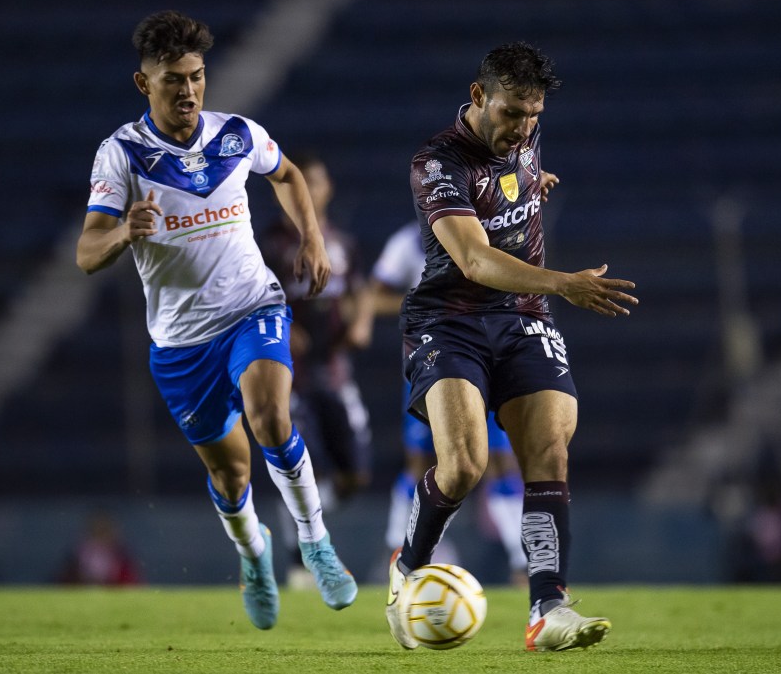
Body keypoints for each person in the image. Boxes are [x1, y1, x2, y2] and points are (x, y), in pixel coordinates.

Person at [76, 10, 356, 630]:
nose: (188, 90)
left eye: (197, 76)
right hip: (180, 343)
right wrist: (125, 230)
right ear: (142, 83)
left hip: (252, 305)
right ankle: (252, 554)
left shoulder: (235, 133)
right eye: (172, 79)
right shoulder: (121, 154)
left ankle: (315, 541)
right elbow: (86, 251)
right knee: (231, 475)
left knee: (272, 416)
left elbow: (285, 174)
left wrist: (311, 237)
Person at [384, 41, 638, 652]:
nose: (522, 128)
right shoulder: (436, 161)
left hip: (521, 315)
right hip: (448, 319)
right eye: (510, 114)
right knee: (465, 466)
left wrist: (529, 184)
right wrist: (565, 283)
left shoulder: (521, 141)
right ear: (478, 98)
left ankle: (547, 607)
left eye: (533, 117)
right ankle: (405, 572)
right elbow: (471, 259)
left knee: (550, 445)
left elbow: (511, 178)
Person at [371, 222, 527, 585]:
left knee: (502, 461)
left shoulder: (492, 230)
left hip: (489, 358)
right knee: (422, 462)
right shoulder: (408, 243)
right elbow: (373, 296)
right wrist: (425, 299)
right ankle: (397, 548)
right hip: (431, 363)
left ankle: (524, 561)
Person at [258, 152, 373, 584]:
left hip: (336, 369)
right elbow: (249, 292)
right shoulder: (268, 243)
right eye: (302, 182)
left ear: (328, 189)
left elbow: (362, 288)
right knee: (308, 464)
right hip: (290, 373)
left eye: (318, 182)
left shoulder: (341, 242)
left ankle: (299, 523)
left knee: (355, 475)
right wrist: (279, 326)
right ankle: (297, 557)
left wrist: (360, 321)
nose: (311, 190)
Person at [57, 511, 142, 585]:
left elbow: (132, 586)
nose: (100, 536)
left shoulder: (123, 558)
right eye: (96, 530)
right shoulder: (75, 558)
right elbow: (63, 585)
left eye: (104, 530)